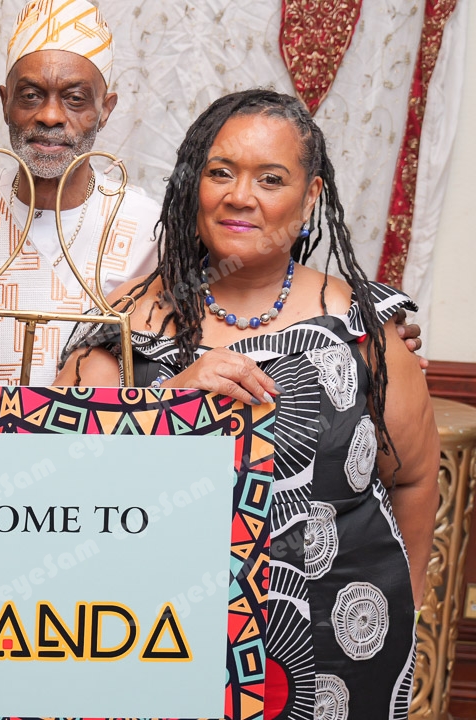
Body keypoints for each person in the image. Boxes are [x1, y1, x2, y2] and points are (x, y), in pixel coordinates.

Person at [56, 89, 439, 717]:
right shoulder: (122, 325)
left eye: (271, 178)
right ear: (193, 186)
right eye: (221, 172)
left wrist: (407, 607)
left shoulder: (366, 328)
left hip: (339, 652)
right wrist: (169, 407)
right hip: (159, 638)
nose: (240, 196)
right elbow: (66, 489)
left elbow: (415, 478)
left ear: (310, 199)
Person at [0, 0, 161, 386]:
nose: (50, 116)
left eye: (75, 98)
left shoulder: (146, 226)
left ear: (105, 110)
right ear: (5, 102)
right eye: (30, 95)